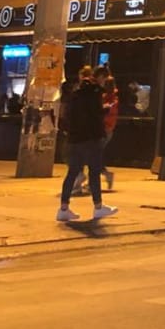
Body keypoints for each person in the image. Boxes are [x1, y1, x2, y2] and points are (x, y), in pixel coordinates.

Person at [56, 66, 118, 223]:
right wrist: (105, 109)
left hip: (75, 137)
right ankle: (98, 207)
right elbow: (94, 114)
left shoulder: (77, 92)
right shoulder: (95, 92)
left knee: (72, 172)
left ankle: (63, 208)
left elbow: (70, 114)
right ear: (101, 77)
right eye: (105, 79)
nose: (105, 83)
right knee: (94, 171)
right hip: (91, 137)